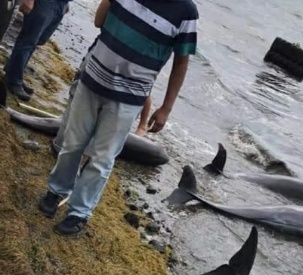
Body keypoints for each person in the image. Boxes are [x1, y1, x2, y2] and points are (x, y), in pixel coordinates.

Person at [38, 0, 198, 237]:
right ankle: (57, 190)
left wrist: (166, 107)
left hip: (129, 97)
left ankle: (78, 213)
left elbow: (181, 62)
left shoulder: (186, 12)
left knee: (102, 158)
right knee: (72, 143)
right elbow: (98, 22)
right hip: (92, 80)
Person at [3, 0, 71, 101]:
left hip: (61, 4)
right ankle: (13, 80)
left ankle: (13, 71)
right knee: (28, 40)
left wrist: (65, 4)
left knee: (39, 40)